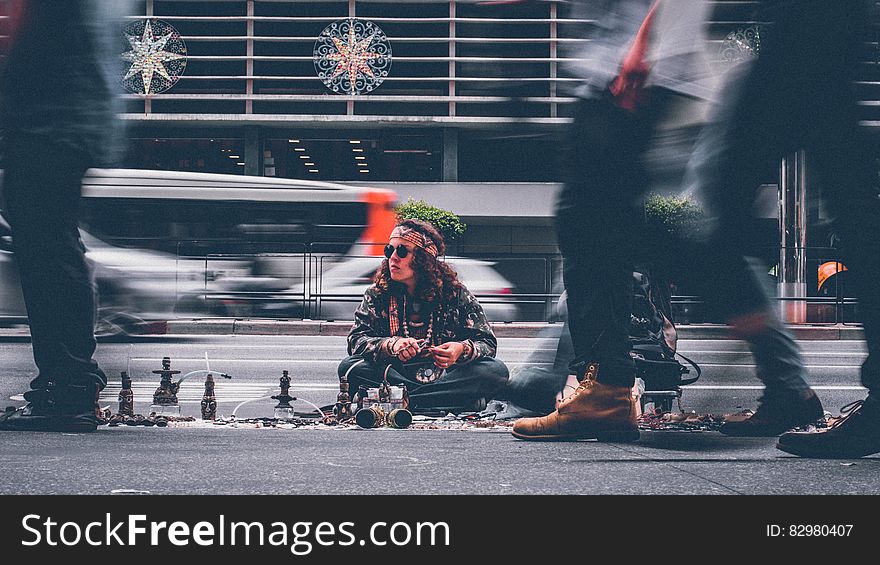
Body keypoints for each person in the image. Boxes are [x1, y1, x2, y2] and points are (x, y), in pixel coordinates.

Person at [512, 0, 824, 442]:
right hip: (633, 64)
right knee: (612, 228)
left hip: (641, 67)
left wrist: (651, 42)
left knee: (594, 223)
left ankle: (607, 390)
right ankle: (778, 380)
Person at [679, 1, 880, 458]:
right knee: (854, 209)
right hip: (820, 26)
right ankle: (786, 381)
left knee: (717, 192)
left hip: (809, 28)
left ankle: (776, 366)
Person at [0, 0, 129, 432]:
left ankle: (68, 386)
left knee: (46, 249)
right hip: (61, 122)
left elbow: (37, 53)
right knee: (49, 246)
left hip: (48, 124)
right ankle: (67, 382)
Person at [338, 219, 509, 415]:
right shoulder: (378, 294)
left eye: (402, 252)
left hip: (446, 374)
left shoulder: (455, 293)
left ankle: (406, 401)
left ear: (423, 260)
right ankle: (445, 402)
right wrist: (391, 345)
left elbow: (487, 343)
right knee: (349, 368)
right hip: (395, 373)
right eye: (389, 251)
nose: (392, 258)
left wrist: (460, 349)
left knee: (496, 371)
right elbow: (356, 341)